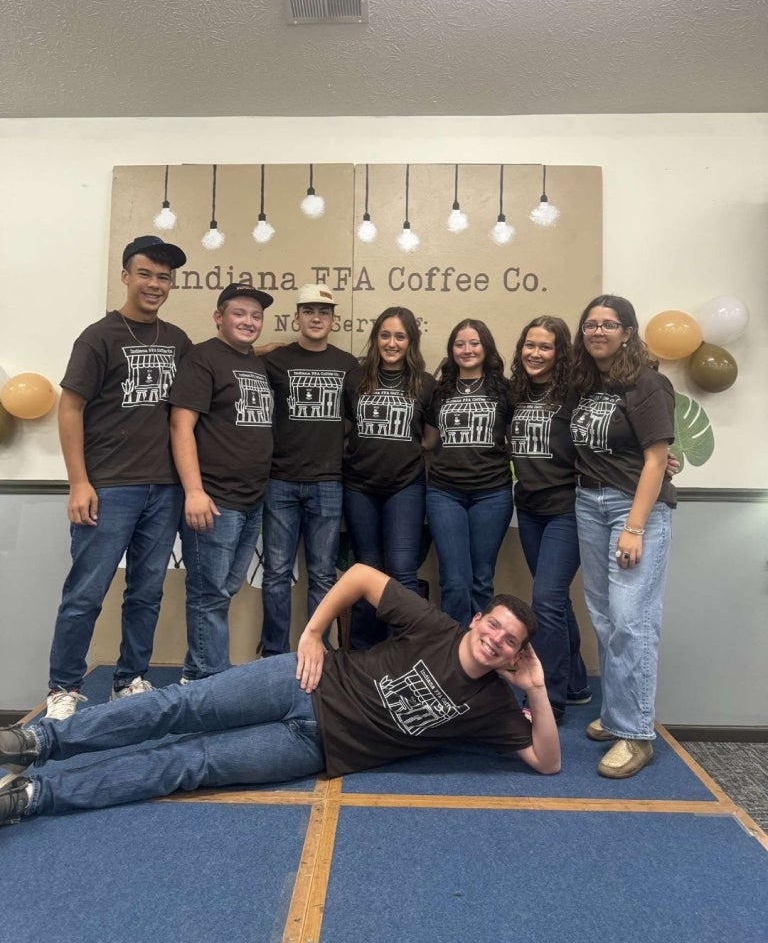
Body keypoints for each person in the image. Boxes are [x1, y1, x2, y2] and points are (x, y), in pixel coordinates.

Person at [0, 564, 560, 825]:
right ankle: (36, 741)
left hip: (313, 749)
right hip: (301, 680)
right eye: (493, 627)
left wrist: (534, 689)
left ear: (515, 655)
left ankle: (30, 799)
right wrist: (313, 632)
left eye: (509, 643)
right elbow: (362, 575)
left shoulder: (491, 704)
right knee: (180, 706)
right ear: (476, 619)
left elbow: (547, 762)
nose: (495, 641)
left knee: (187, 763)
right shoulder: (436, 627)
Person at [45, 235, 191, 720]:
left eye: (163, 277)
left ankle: (130, 678)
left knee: (147, 590)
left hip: (164, 488)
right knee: (86, 592)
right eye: (145, 274)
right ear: (126, 276)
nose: (154, 284)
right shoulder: (99, 336)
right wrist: (78, 482)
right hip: (108, 486)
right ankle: (63, 687)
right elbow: (69, 408)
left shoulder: (177, 340)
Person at [570, 294, 676, 779]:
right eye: (590, 324)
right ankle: (618, 718)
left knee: (633, 620)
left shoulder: (648, 382)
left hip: (632, 511)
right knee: (607, 619)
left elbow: (657, 460)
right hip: (588, 504)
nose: (597, 331)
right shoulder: (587, 384)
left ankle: (636, 738)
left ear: (628, 332)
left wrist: (634, 527)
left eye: (608, 325)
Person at [169, 283, 274, 682]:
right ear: (218, 317)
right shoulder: (202, 359)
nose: (249, 322)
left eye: (256, 315)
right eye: (239, 313)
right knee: (209, 595)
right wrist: (194, 491)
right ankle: (208, 682)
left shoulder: (254, 362)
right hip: (215, 500)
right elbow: (181, 425)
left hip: (251, 500)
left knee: (223, 590)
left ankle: (196, 672)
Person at [260, 284, 357, 655]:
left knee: (321, 576)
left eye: (324, 311)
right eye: (309, 310)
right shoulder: (275, 361)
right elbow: (231, 360)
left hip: (328, 482)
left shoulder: (348, 365)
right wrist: (259, 349)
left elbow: (354, 419)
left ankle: (317, 650)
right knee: (276, 575)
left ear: (333, 320)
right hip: (280, 481)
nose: (317, 317)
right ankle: (273, 654)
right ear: (297, 317)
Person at [507, 316, 591, 724]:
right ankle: (575, 682)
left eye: (545, 347)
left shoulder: (575, 394)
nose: (535, 354)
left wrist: (660, 455)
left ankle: (551, 700)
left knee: (545, 601)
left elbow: (611, 431)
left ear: (560, 353)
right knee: (555, 600)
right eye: (529, 345)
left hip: (566, 508)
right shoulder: (517, 393)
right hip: (529, 507)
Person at [342, 307, 435, 648]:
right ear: (375, 338)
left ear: (411, 341)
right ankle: (364, 654)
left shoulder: (425, 383)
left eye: (399, 336)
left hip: (405, 487)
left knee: (402, 570)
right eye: (385, 335)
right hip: (359, 486)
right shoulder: (356, 378)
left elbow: (428, 439)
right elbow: (348, 428)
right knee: (366, 568)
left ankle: (406, 650)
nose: (391, 343)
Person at [423, 319, 514, 627]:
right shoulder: (439, 391)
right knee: (454, 580)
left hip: (493, 493)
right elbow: (429, 441)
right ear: (451, 350)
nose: (467, 350)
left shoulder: (505, 390)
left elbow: (520, 441)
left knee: (481, 579)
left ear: (485, 347)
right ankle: (454, 656)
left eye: (474, 343)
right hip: (444, 493)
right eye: (460, 344)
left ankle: (481, 653)